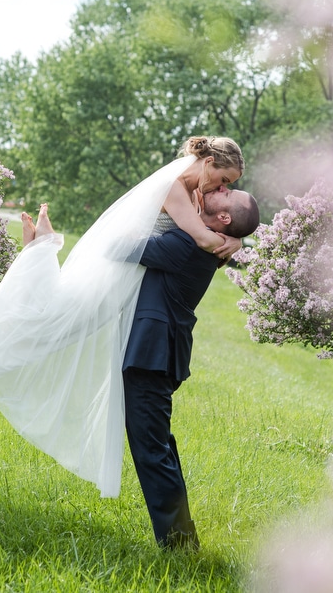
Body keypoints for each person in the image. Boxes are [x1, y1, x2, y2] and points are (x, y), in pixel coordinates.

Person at [0, 137, 248, 498]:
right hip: (120, 267)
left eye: (229, 186)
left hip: (133, 273)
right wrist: (232, 242)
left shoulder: (195, 195)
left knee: (67, 316)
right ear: (208, 161)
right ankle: (36, 261)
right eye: (224, 179)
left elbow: (219, 227)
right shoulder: (173, 188)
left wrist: (238, 240)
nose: (224, 188)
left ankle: (42, 251)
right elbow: (200, 239)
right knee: (61, 318)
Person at [122, 185, 260, 551]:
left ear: (225, 218)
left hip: (151, 355)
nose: (221, 187)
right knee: (159, 445)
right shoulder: (204, 242)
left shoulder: (189, 245)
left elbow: (121, 247)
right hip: (157, 353)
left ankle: (180, 545)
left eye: (228, 191)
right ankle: (183, 539)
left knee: (152, 449)